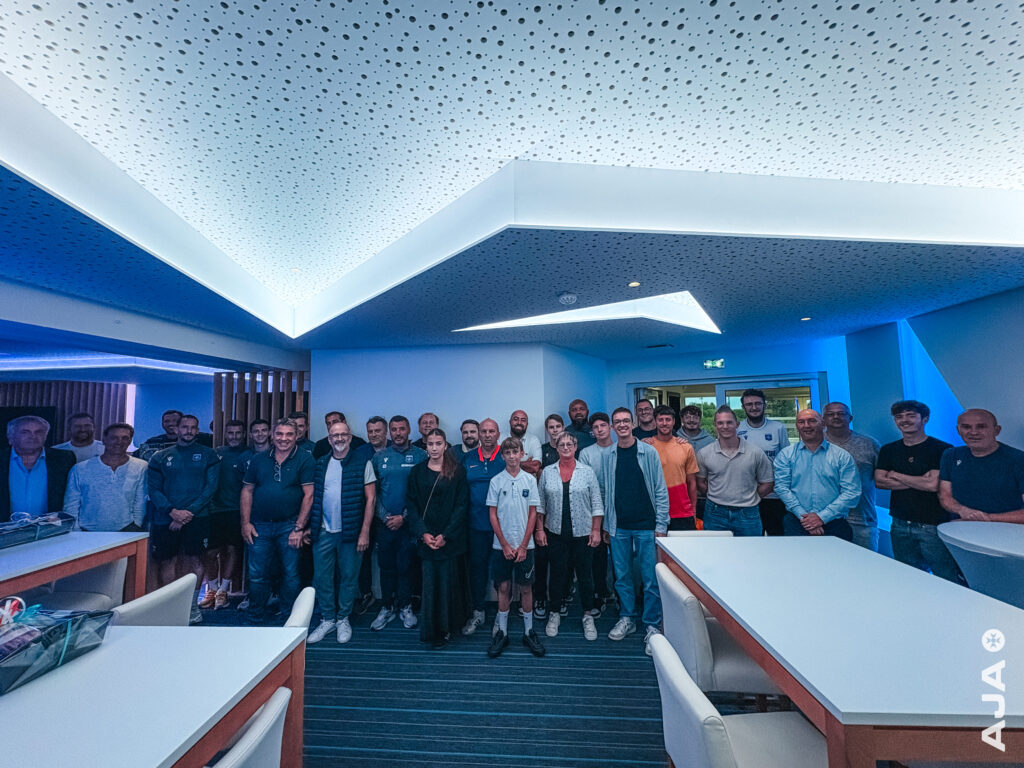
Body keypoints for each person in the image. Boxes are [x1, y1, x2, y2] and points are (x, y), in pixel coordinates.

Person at [589, 408, 669, 655]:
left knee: (650, 578)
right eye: (618, 422)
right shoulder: (609, 455)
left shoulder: (649, 452)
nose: (622, 425)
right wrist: (605, 525)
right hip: (619, 526)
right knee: (622, 577)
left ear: (632, 424)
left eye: (626, 421)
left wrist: (661, 525)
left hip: (647, 525)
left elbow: (660, 489)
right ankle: (627, 618)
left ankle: (652, 625)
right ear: (613, 427)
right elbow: (604, 490)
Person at [306, 420, 376, 644]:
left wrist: (365, 531)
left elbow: (371, 499)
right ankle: (327, 618)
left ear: (350, 437)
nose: (339, 439)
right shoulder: (320, 463)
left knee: (348, 577)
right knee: (322, 577)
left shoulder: (363, 462)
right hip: (323, 531)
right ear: (329, 439)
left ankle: (343, 618)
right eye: (335, 435)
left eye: (343, 434)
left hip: (351, 531)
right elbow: (313, 497)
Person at [240, 418, 315, 624]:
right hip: (259, 525)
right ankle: (255, 616)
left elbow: (309, 495)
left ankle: (289, 618)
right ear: (272, 436)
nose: (284, 438)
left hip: (290, 525)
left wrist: (299, 528)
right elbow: (247, 491)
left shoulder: (305, 459)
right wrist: (245, 523)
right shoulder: (258, 459)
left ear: (296, 436)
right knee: (257, 574)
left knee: (290, 573)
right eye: (279, 434)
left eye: (289, 434)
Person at [875, 401, 959, 581]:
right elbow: (880, 482)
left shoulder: (942, 449)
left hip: (933, 525)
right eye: (899, 417)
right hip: (899, 524)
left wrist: (896, 474)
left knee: (945, 577)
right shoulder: (888, 450)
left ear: (925, 419)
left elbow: (932, 485)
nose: (904, 420)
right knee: (908, 578)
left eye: (911, 416)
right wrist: (921, 480)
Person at [147, 414, 221, 622]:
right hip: (165, 518)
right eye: (185, 427)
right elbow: (154, 489)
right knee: (167, 562)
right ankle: (171, 607)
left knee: (196, 560)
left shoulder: (208, 455)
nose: (189, 431)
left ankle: (191, 608)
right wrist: (172, 512)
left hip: (197, 517)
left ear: (197, 430)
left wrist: (188, 514)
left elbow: (210, 488)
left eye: (193, 427)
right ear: (177, 429)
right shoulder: (160, 457)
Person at [536, 431, 603, 640]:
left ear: (575, 447)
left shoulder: (587, 472)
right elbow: (540, 504)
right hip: (555, 533)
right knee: (557, 575)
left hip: (583, 534)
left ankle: (587, 615)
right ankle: (554, 613)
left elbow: (597, 503)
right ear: (556, 448)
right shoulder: (548, 472)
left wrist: (596, 530)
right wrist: (539, 529)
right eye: (561, 444)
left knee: (585, 576)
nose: (565, 448)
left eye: (569, 444)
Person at [406, 428, 469, 649]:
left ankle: (446, 629)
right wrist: (423, 533)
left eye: (438, 443)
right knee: (430, 586)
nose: (434, 448)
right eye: (430, 444)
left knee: (447, 584)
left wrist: (446, 535)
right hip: (426, 538)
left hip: (449, 539)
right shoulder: (417, 472)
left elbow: (461, 506)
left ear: (445, 446)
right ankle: (430, 630)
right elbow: (412, 505)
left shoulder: (457, 471)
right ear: (426, 446)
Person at [485, 437, 545, 658]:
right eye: (507, 453)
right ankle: (502, 631)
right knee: (503, 588)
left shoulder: (529, 480)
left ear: (522, 454)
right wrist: (504, 544)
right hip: (501, 546)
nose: (511, 456)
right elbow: (493, 514)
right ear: (502, 456)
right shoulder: (496, 481)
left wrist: (523, 545)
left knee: (526, 588)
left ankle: (528, 631)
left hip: (525, 546)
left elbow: (533, 513)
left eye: (515, 452)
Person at [366, 416, 427, 631]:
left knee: (406, 566)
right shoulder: (379, 457)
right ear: (389, 432)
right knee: (386, 567)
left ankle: (406, 606)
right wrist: (385, 517)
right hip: (384, 524)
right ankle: (387, 607)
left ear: (409, 430)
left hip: (409, 524)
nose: (398, 433)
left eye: (402, 429)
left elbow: (422, 493)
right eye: (394, 429)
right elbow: (373, 493)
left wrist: (404, 517)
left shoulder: (421, 456)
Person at [773, 409, 859, 540]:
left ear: (823, 424)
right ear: (797, 426)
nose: (806, 425)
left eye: (812, 421)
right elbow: (781, 488)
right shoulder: (786, 455)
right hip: (796, 522)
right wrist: (805, 518)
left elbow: (851, 492)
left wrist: (822, 517)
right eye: (801, 422)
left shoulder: (841, 456)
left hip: (834, 523)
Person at [697, 407, 774, 537]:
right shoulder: (704, 453)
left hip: (748, 513)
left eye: (729, 422)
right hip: (715, 513)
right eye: (720, 423)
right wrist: (716, 494)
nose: (725, 426)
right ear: (715, 425)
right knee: (714, 549)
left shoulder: (755, 452)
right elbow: (700, 482)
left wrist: (751, 497)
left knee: (750, 548)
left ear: (737, 424)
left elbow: (768, 483)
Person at [460, 417, 505, 635]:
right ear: (479, 434)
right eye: (484, 431)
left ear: (498, 434)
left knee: (501, 573)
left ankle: (501, 616)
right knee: (477, 571)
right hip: (475, 526)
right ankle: (478, 612)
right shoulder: (467, 458)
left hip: (502, 528)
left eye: (491, 431)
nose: (487, 435)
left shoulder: (506, 456)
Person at [939, 409, 1024, 523]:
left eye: (981, 427)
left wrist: (985, 518)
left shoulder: (1018, 459)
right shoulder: (951, 455)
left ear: (997, 430)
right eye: (966, 427)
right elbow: (945, 496)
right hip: (960, 529)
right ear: (958, 430)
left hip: (1006, 531)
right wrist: (963, 510)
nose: (973, 432)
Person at [200, 419, 248, 610]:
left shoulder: (249, 454)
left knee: (232, 550)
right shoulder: (215, 453)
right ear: (226, 434)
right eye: (231, 433)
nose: (234, 436)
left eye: (238, 433)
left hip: (237, 510)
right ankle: (211, 588)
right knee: (210, 552)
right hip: (214, 510)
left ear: (243, 434)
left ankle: (223, 591)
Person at [63, 422, 147, 531]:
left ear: (130, 441)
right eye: (114, 438)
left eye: (125, 438)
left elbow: (140, 502)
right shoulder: (79, 469)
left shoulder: (141, 467)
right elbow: (71, 505)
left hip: (126, 531)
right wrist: (76, 531)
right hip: (87, 532)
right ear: (104, 440)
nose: (119, 442)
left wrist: (136, 526)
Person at [823, 402, 881, 551]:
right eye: (830, 414)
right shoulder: (813, 444)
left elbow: (882, 478)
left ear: (850, 418)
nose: (836, 417)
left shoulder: (869, 444)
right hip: (824, 519)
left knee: (866, 563)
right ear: (823, 419)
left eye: (841, 413)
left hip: (862, 519)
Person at [1, 415, 76, 523]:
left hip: (50, 528)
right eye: (25, 432)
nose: (32, 436)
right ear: (10, 437)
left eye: (39, 432)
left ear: (45, 436)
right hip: (5, 529)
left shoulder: (64, 459)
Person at [737, 389, 791, 536]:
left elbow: (786, 460)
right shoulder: (737, 428)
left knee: (777, 537)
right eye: (749, 404)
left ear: (764, 405)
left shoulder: (778, 427)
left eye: (757, 403)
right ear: (743, 407)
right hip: (747, 496)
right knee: (751, 539)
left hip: (774, 496)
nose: (754, 407)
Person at [579, 412, 616, 614]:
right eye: (596, 427)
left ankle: (620, 595)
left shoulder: (619, 448)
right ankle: (600, 592)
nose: (600, 429)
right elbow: (586, 484)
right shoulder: (586, 453)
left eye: (603, 425)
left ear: (610, 427)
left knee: (619, 556)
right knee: (598, 554)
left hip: (617, 509)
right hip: (595, 510)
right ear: (592, 431)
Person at [643, 405, 699, 531]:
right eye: (660, 420)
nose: (664, 423)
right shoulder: (646, 447)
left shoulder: (686, 447)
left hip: (682, 511)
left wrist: (694, 509)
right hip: (654, 511)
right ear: (655, 422)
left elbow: (692, 482)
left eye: (668, 420)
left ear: (673, 422)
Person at [677, 404, 716, 519]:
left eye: (695, 417)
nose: (691, 420)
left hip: (706, 495)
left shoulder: (711, 441)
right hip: (682, 495)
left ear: (700, 420)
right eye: (687, 417)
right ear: (682, 419)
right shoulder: (674, 438)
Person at [509, 410, 542, 475]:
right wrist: (525, 463)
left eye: (523, 420)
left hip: (528, 481)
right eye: (515, 419)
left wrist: (508, 464)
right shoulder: (500, 439)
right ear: (510, 422)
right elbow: (497, 466)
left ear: (527, 424)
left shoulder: (533, 440)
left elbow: (535, 467)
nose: (519, 422)